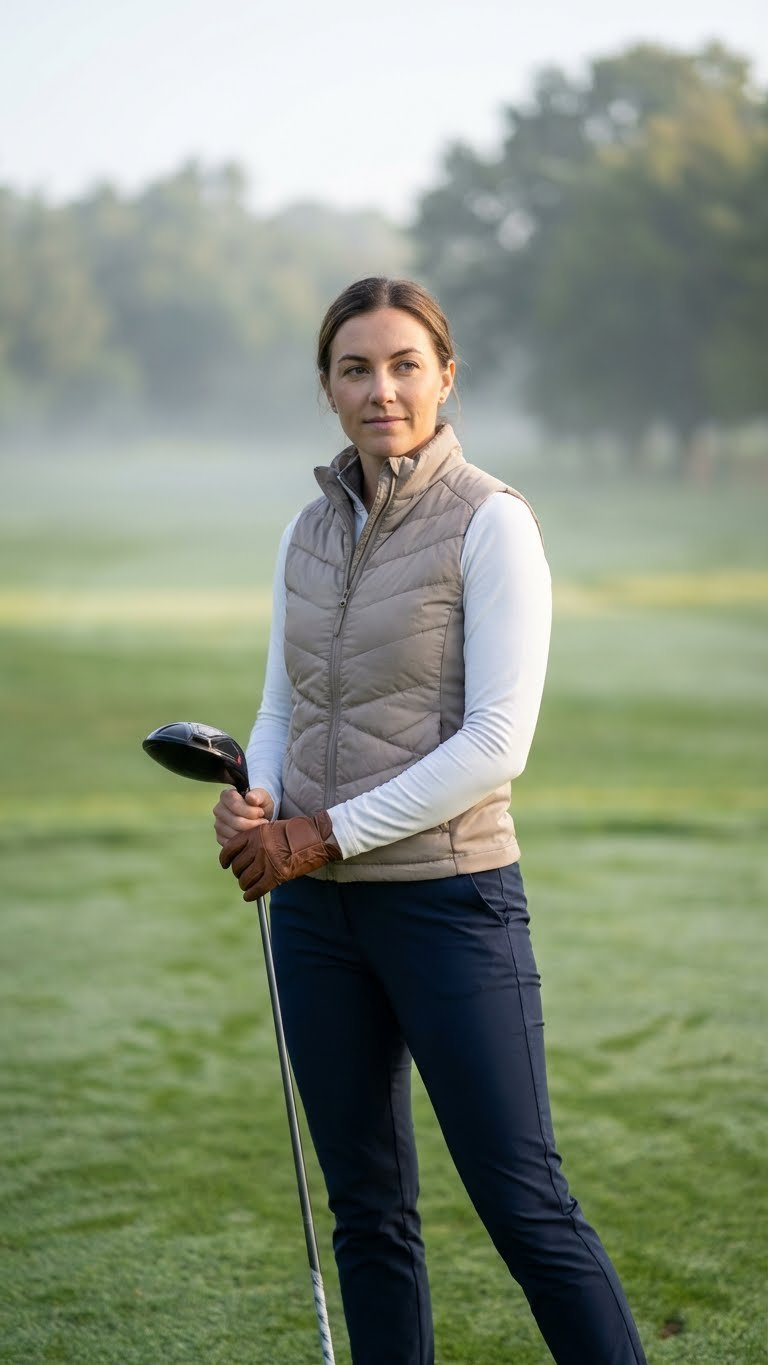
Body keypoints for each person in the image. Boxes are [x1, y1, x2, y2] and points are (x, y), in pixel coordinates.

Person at [213, 277, 646, 1365]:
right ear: (326, 386)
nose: (381, 389)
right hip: (316, 921)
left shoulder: (492, 522)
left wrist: (318, 834)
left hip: (449, 904)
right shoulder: (305, 533)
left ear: (446, 376)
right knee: (368, 1212)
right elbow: (282, 705)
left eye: (405, 364)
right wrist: (258, 799)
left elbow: (498, 744)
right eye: (355, 368)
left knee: (524, 1207)